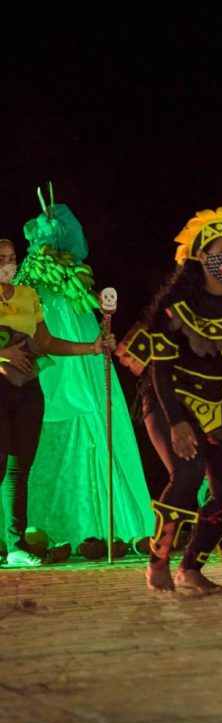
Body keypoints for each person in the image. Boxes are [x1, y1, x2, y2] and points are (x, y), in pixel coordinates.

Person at [117, 206, 222, 593]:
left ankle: (192, 566)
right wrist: (178, 422)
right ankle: (158, 560)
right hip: (170, 403)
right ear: (201, 255)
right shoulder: (177, 306)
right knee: (187, 473)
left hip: (218, 408)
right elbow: (159, 371)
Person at [9, 186, 154, 558]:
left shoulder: (67, 288)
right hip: (26, 380)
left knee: (82, 434)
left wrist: (93, 347)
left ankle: (98, 528)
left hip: (66, 366)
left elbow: (53, 339)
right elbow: (40, 339)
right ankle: (19, 535)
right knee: (21, 452)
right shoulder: (27, 289)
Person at [1, 237, 117, 566]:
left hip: (26, 387)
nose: (7, 264)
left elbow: (46, 340)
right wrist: (3, 353)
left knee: (18, 469)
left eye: (11, 258)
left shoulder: (27, 295)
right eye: (0, 258)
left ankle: (14, 545)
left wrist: (92, 348)